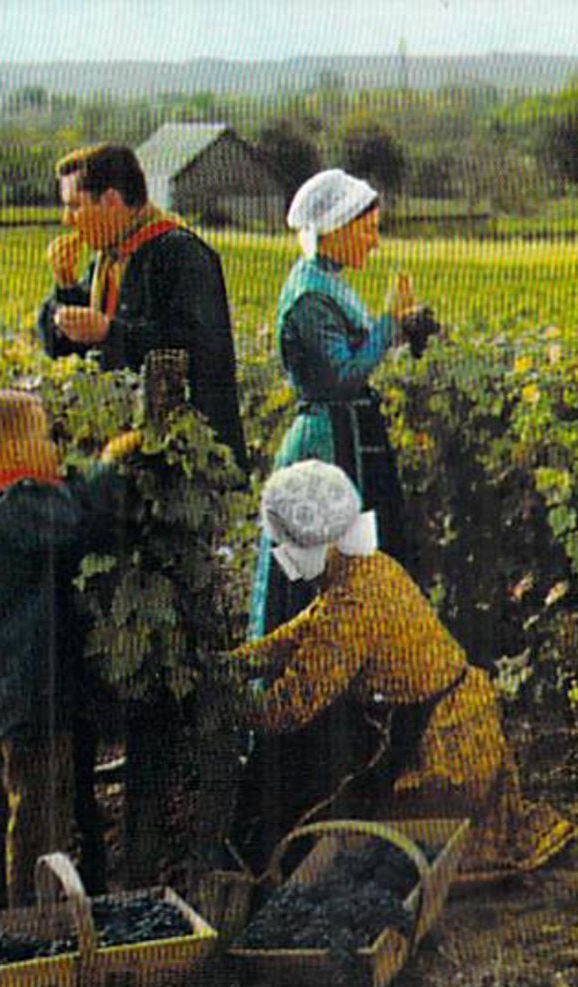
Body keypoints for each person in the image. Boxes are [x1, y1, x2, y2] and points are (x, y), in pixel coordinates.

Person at [229, 460, 574, 883]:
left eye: (288, 546)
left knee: (369, 857)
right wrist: (238, 663)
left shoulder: (352, 605)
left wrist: (221, 703)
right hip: (456, 720)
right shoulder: (365, 567)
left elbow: (288, 708)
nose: (285, 558)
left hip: (450, 753)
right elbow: (299, 632)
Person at [0, 389, 138, 911]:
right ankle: (32, 922)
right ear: (12, 452)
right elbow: (75, 517)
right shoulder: (16, 504)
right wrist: (110, 468)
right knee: (40, 807)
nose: (54, 447)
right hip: (29, 686)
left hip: (1, 686)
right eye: (44, 436)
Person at [247, 168, 427, 642]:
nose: (374, 242)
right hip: (324, 447)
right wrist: (388, 323)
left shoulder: (326, 281)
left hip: (344, 439)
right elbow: (340, 377)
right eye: (368, 229)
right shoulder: (310, 296)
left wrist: (404, 327)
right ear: (337, 229)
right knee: (319, 578)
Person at [36, 143, 247, 468]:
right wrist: (65, 288)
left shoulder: (182, 254)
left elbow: (198, 349)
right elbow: (64, 353)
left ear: (110, 201)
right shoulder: (106, 261)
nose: (67, 220)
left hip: (186, 455)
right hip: (125, 448)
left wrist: (109, 332)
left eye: (74, 206)